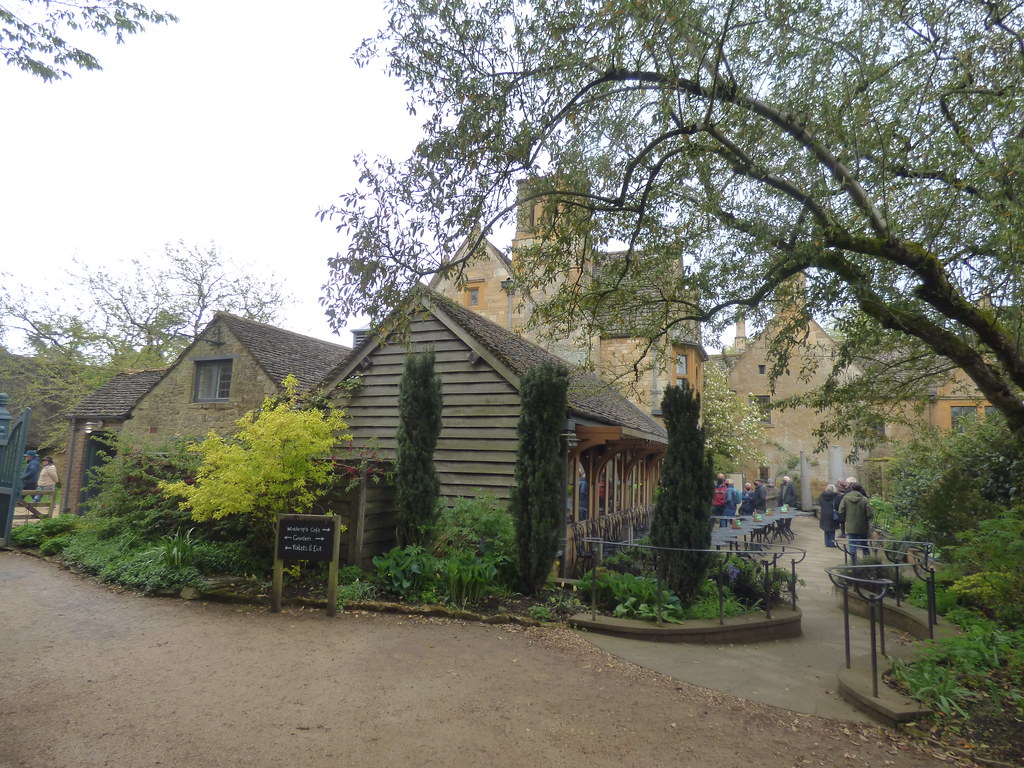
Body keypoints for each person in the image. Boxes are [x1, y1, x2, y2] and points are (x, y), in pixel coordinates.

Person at [838, 480, 872, 563]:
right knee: (864, 544)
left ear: (851, 488)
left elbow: (841, 510)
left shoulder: (846, 498)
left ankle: (853, 562)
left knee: (852, 544)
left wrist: (847, 517)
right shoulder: (864, 499)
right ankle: (868, 562)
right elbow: (869, 513)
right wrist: (866, 519)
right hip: (863, 525)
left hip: (850, 525)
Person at [817, 483, 841, 548]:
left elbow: (819, 503)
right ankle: (831, 543)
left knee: (826, 529)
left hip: (824, 514)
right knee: (832, 530)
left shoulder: (821, 496)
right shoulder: (836, 496)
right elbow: (838, 505)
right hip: (832, 514)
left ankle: (826, 543)